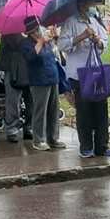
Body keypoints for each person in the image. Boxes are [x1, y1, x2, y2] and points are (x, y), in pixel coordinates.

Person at [56, 0, 110, 158]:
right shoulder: (71, 22)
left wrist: (97, 40)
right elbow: (62, 45)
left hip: (96, 71)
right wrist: (80, 37)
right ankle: (86, 146)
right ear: (81, 4)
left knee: (101, 110)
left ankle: (102, 145)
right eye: (90, 4)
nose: (93, 7)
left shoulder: (95, 21)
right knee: (84, 111)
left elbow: (105, 42)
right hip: (79, 74)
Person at [20, 16, 64, 151]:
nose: (38, 32)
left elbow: (56, 55)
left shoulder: (48, 42)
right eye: (35, 31)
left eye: (38, 29)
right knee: (40, 111)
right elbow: (30, 57)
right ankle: (38, 139)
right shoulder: (26, 44)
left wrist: (55, 39)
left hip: (52, 77)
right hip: (39, 81)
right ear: (29, 33)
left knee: (53, 110)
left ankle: (53, 138)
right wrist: (39, 42)